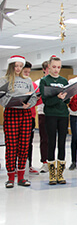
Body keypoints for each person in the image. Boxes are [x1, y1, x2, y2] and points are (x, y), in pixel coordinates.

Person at [0, 55, 37, 188]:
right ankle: (10, 177)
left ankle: (21, 177)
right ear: (11, 66)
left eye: (20, 66)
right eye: (16, 66)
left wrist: (29, 104)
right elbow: (1, 98)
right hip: (11, 113)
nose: (18, 69)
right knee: (11, 146)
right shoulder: (4, 80)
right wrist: (9, 101)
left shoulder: (27, 80)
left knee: (24, 146)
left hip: (25, 113)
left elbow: (33, 97)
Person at [39, 56, 70, 185]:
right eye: (54, 67)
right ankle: (52, 175)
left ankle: (60, 174)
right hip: (50, 114)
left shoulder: (63, 80)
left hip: (63, 115)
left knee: (62, 143)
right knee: (51, 142)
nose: (56, 70)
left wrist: (66, 97)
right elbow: (46, 101)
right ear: (49, 67)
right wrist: (57, 97)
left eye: (59, 67)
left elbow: (67, 100)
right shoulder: (44, 81)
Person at [22, 61, 40, 175]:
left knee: (29, 142)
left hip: (30, 116)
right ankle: (15, 166)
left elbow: (38, 99)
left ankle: (29, 165)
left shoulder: (33, 84)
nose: (27, 74)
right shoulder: (15, 84)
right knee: (17, 143)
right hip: (17, 116)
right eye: (25, 72)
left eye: (29, 72)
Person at [35, 60, 50, 173]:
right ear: (44, 69)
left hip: (55, 113)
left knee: (54, 139)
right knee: (44, 139)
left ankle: (53, 161)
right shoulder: (38, 82)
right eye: (49, 68)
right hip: (43, 113)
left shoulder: (57, 81)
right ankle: (44, 162)